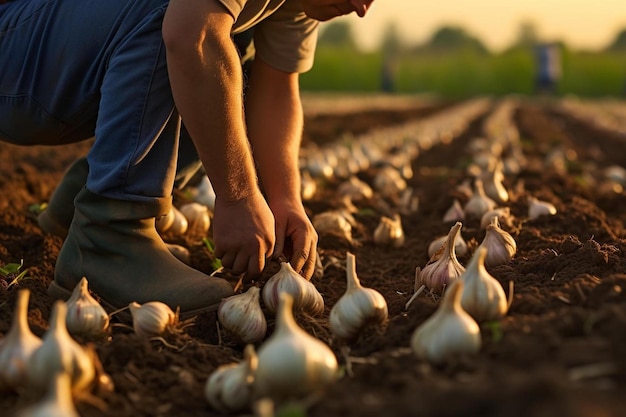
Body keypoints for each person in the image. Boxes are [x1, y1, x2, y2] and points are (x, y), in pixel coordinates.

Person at [0, 0, 375, 315]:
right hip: (13, 43)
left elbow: (276, 90)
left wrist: (284, 198)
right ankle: (108, 233)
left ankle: (81, 204)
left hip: (51, 58)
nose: (362, 7)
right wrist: (239, 196)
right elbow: (191, 36)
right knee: (188, 16)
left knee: (229, 55)